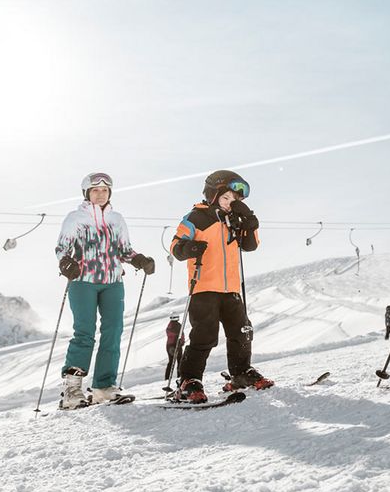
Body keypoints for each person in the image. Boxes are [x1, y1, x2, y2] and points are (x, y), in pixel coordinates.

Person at [169, 170, 272, 404]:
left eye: (235, 200)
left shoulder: (234, 219)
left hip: (232, 288)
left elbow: (250, 246)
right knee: (204, 335)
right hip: (204, 287)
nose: (230, 204)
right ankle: (189, 381)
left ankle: (240, 373)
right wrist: (189, 248)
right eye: (226, 198)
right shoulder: (197, 217)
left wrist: (250, 222)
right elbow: (176, 246)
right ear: (212, 195)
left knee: (242, 331)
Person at [55, 172, 155, 409]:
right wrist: (65, 263)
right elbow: (62, 248)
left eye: (104, 190)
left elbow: (124, 250)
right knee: (85, 332)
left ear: (109, 193)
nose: (100, 194)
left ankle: (104, 387)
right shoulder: (75, 218)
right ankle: (72, 390)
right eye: (95, 190)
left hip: (112, 281)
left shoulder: (117, 219)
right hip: (83, 281)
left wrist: (140, 260)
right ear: (87, 194)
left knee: (113, 330)